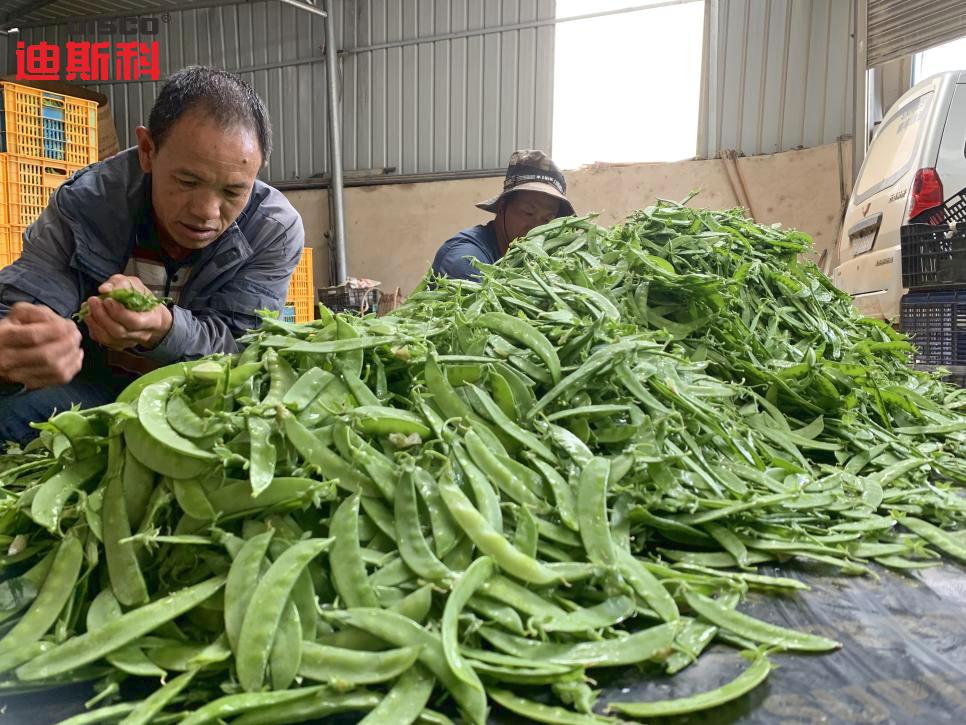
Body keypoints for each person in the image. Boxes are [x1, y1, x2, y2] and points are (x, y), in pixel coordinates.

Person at [0, 66, 304, 444]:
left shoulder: (272, 228)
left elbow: (244, 348)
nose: (207, 212)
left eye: (232, 193)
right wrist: (24, 344)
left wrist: (164, 328)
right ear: (147, 150)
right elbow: (23, 306)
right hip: (92, 387)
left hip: (205, 399)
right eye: (187, 182)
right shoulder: (87, 202)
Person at [432, 150, 575, 280]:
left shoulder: (533, 258)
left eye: (547, 219)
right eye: (529, 213)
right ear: (502, 207)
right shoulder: (466, 259)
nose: (537, 228)